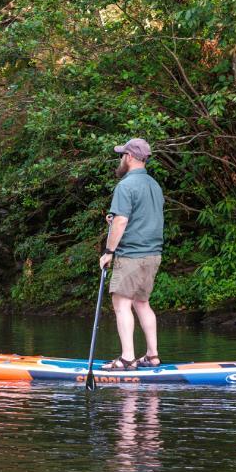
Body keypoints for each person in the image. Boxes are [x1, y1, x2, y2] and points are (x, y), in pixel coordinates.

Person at [98, 138, 165, 370]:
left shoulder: (125, 186)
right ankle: (152, 355)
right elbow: (140, 216)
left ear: (129, 157)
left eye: (122, 155)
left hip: (132, 254)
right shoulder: (154, 185)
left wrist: (108, 252)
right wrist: (114, 219)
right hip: (153, 253)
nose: (120, 159)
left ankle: (127, 359)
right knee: (142, 303)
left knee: (121, 303)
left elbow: (123, 221)